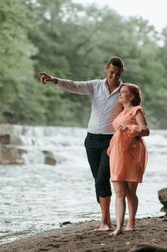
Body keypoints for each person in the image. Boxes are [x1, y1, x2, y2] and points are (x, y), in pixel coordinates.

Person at [39, 56, 125, 231]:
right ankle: (105, 220)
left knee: (102, 178)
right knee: (97, 180)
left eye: (117, 74)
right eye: (111, 73)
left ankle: (106, 222)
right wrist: (55, 80)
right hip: (91, 140)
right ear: (106, 69)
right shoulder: (95, 86)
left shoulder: (124, 91)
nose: (114, 77)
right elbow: (74, 85)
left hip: (112, 140)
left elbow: (132, 108)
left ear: (122, 73)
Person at [107, 83, 149, 236]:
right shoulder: (120, 113)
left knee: (131, 192)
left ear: (131, 97)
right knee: (118, 192)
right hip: (118, 152)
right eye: (120, 92)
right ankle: (118, 227)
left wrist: (130, 129)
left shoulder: (136, 110)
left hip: (132, 152)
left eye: (123, 92)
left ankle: (131, 222)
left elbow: (146, 131)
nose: (120, 94)